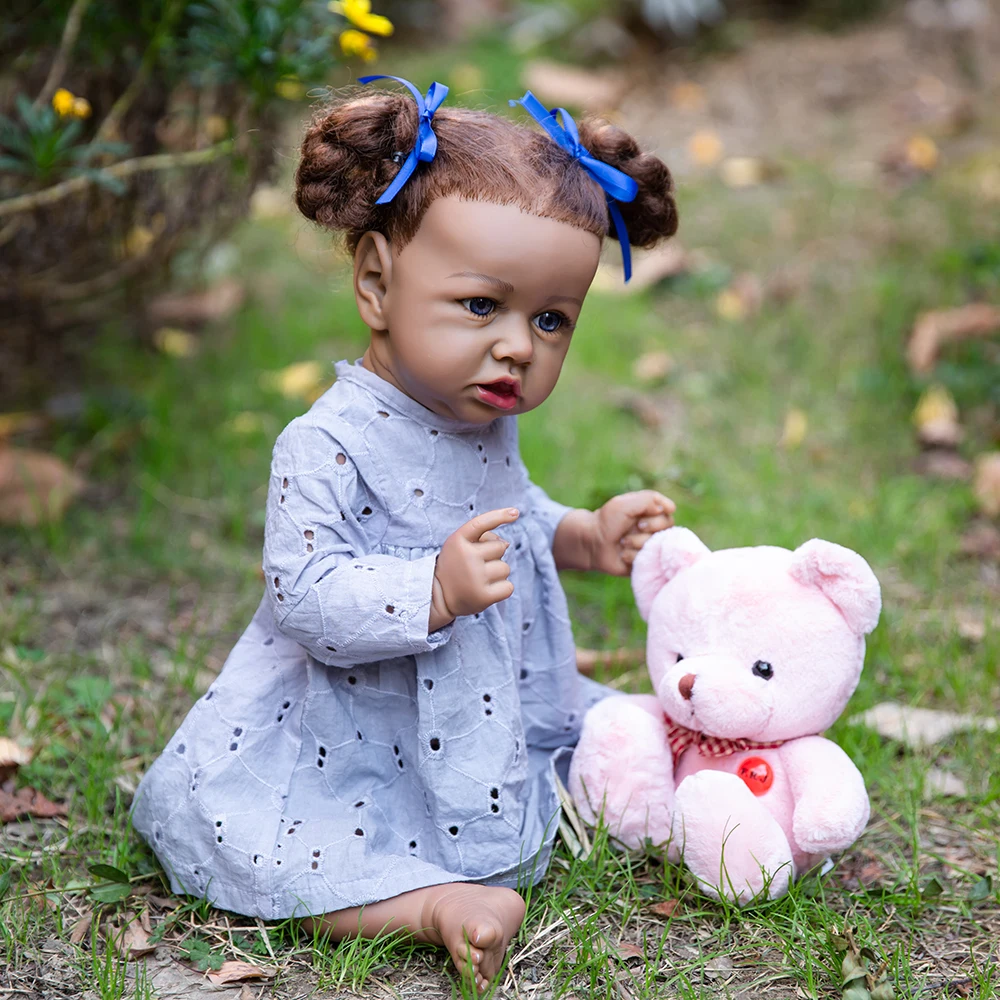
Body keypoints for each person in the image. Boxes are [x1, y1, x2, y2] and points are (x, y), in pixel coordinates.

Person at [132, 76, 679, 991]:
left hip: (474, 714)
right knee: (288, 849)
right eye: (483, 306)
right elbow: (304, 596)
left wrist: (582, 535)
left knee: (602, 742)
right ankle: (427, 908)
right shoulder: (326, 444)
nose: (519, 346)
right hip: (352, 732)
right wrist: (429, 588)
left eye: (551, 320)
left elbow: (512, 513)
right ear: (378, 282)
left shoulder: (481, 417)